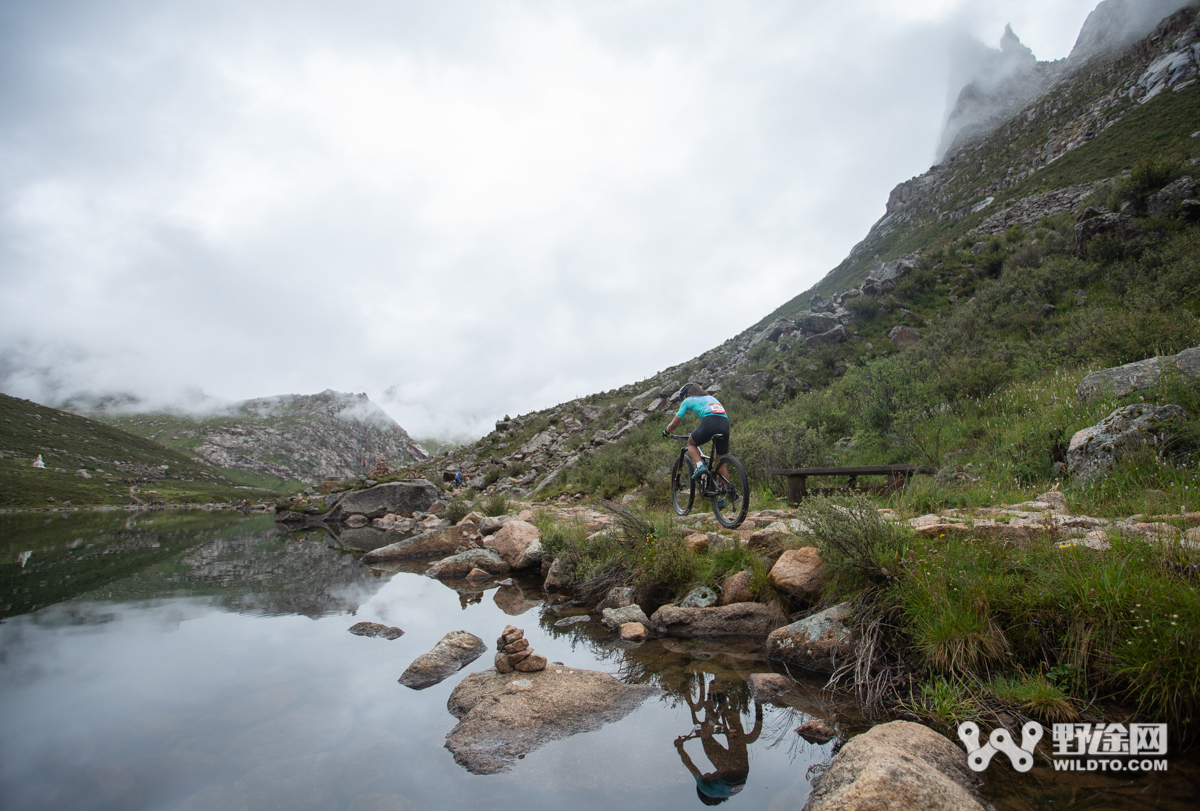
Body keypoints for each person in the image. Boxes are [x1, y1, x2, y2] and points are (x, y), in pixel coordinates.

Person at [663, 383, 729, 480]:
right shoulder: (709, 397)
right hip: (725, 423)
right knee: (721, 464)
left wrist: (666, 431)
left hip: (710, 421)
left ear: (685, 396)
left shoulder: (687, 400)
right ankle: (726, 491)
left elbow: (674, 424)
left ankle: (700, 466)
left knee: (691, 443)